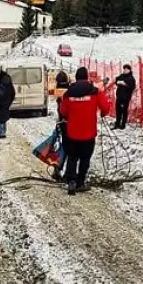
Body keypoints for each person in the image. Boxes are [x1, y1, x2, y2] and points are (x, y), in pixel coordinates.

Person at [58, 66, 112, 194]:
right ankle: (80, 183)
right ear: (87, 77)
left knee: (72, 156)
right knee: (85, 158)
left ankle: (71, 181)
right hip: (88, 132)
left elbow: (63, 112)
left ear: (76, 78)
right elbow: (105, 107)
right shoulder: (95, 91)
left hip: (72, 132)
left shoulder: (68, 93)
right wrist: (103, 113)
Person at [51, 69, 71, 180]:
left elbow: (60, 107)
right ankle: (68, 172)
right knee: (69, 148)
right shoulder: (70, 90)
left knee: (62, 145)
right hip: (70, 121)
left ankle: (58, 167)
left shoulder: (58, 90)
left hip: (61, 121)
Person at [0, 67, 16, 138]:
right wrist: (10, 101)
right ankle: (3, 132)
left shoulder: (0, 83)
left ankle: (1, 133)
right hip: (6, 102)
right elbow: (13, 93)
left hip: (0, 103)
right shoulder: (8, 81)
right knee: (3, 118)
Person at [113, 64, 136, 130]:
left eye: (126, 69)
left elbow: (132, 86)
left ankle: (123, 125)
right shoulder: (121, 75)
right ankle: (117, 123)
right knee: (118, 110)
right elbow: (116, 80)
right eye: (124, 69)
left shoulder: (131, 78)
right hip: (119, 96)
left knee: (124, 111)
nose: (125, 70)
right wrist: (118, 82)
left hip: (125, 98)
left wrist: (124, 84)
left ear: (129, 70)